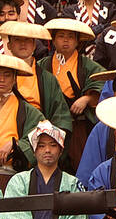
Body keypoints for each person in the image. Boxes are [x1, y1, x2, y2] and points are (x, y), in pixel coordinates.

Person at [43, 17, 106, 170]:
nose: (66, 41)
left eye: (70, 37)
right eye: (61, 36)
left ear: (77, 41)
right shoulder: (43, 65)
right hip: (49, 125)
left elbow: (104, 81)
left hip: (79, 125)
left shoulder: (88, 65)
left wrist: (87, 98)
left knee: (80, 165)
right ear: (53, 40)